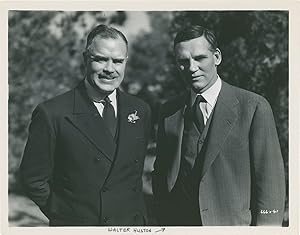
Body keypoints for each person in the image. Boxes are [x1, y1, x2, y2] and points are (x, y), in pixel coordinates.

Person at [152, 25, 285, 226]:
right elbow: (161, 176)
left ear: (217, 57)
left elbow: (271, 186)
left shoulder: (254, 107)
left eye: (199, 58)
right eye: (183, 61)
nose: (191, 68)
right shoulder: (168, 112)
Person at [20, 24, 151, 226]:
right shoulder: (53, 113)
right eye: (100, 59)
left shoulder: (140, 110)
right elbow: (33, 179)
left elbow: (133, 178)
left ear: (125, 62)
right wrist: (66, 216)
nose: (109, 69)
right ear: (85, 59)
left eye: (117, 61)